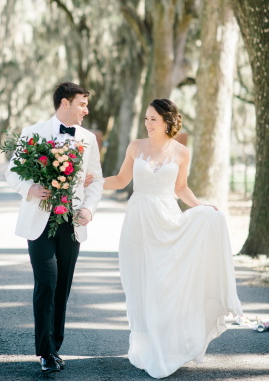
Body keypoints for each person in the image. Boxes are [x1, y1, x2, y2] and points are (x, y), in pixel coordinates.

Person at [103, 98, 243, 379]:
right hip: (138, 221)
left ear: (167, 120)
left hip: (166, 220)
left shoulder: (181, 151)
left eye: (153, 119)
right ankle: (144, 347)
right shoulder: (136, 146)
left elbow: (181, 188)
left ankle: (166, 347)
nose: (147, 124)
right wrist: (92, 181)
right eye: (146, 118)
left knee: (164, 283)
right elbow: (120, 180)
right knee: (138, 282)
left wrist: (201, 206)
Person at [5, 82, 104, 373]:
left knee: (63, 286)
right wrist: (30, 187)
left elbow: (96, 179)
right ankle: (45, 352)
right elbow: (12, 170)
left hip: (71, 222)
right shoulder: (32, 133)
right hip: (40, 221)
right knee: (47, 283)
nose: (86, 110)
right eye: (82, 104)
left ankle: (55, 346)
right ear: (64, 103)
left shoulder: (88, 139)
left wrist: (88, 208)